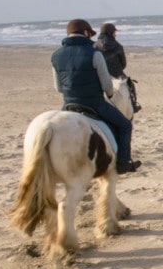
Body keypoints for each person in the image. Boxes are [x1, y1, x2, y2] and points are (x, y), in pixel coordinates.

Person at [52, 18, 141, 173]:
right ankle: (123, 162)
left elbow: (58, 87)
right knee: (125, 125)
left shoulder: (55, 55)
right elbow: (107, 85)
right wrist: (110, 94)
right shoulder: (94, 54)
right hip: (94, 103)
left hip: (68, 105)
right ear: (86, 33)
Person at [94, 22, 141, 112]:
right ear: (111, 33)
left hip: (99, 75)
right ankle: (134, 105)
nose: (116, 34)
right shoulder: (118, 46)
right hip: (117, 74)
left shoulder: (94, 46)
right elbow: (123, 64)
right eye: (115, 32)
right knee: (130, 85)